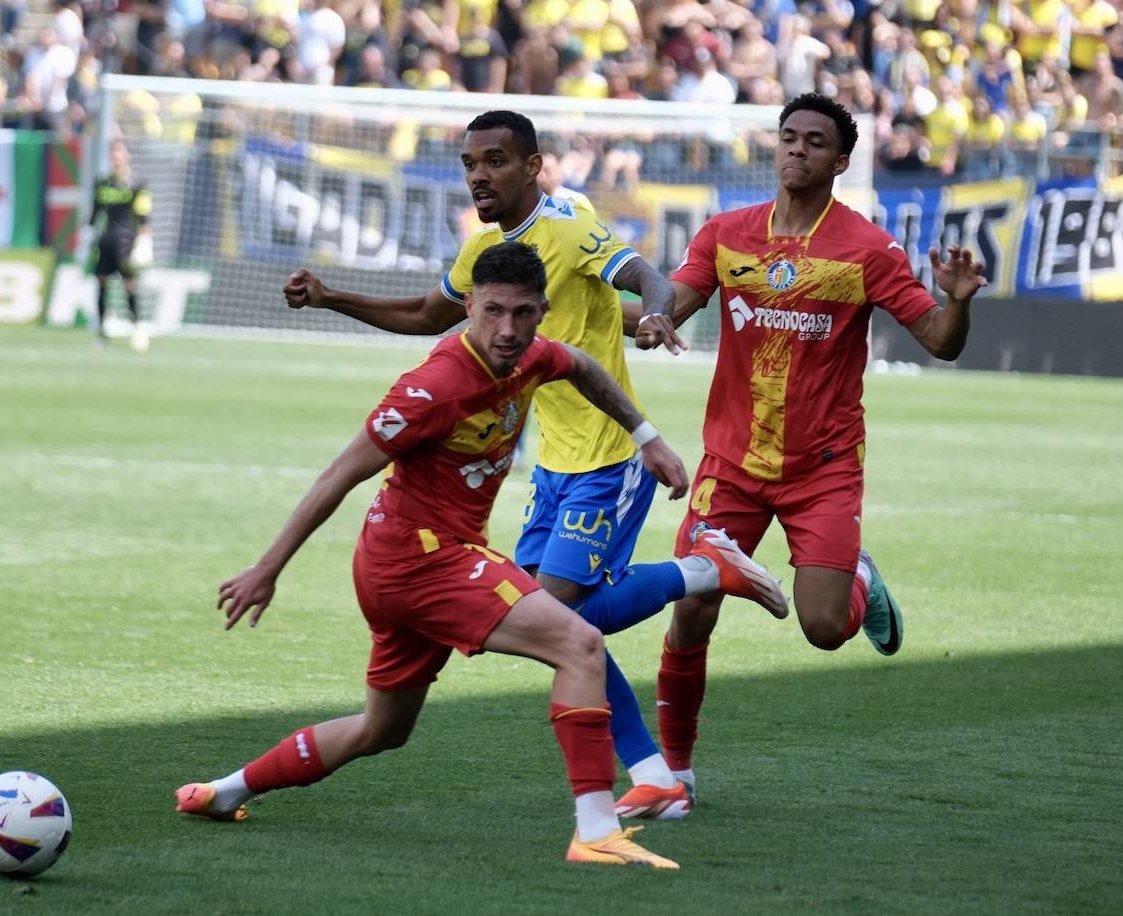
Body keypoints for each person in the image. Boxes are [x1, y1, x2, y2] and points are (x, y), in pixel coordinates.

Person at [179, 242, 785, 866]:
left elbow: (580, 364)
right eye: (492, 311)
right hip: (420, 561)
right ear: (468, 305)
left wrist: (646, 438)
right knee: (577, 641)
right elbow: (340, 474)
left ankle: (226, 791)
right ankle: (597, 829)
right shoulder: (434, 387)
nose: (507, 329)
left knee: (381, 729)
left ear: (541, 310)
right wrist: (268, 567)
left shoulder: (530, 353)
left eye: (523, 313)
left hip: (418, 561)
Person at [282, 110, 773, 822]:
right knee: (563, 625)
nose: (481, 174)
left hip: (610, 456)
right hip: (553, 462)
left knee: (563, 616)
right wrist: (333, 298)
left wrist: (661, 314)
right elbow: (428, 316)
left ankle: (706, 571)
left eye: (496, 161)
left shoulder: (572, 230)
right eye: (471, 163)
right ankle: (654, 774)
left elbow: (648, 279)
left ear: (532, 166)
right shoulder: (487, 254)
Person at [633, 92, 987, 802]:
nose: (797, 149)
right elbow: (672, 301)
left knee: (825, 630)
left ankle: (859, 576)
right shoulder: (727, 234)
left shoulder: (866, 248)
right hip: (731, 464)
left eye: (814, 142)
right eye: (788, 137)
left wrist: (958, 300)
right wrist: (649, 317)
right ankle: (675, 771)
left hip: (821, 470)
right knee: (693, 609)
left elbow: (940, 344)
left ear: (840, 160)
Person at [89, 138, 153, 352]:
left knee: (129, 286)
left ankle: (137, 328)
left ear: (128, 155)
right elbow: (94, 215)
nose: (116, 156)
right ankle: (101, 332)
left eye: (120, 152)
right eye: (113, 152)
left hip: (126, 242)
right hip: (105, 242)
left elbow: (144, 216)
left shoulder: (137, 184)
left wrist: (144, 240)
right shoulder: (102, 183)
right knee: (101, 284)